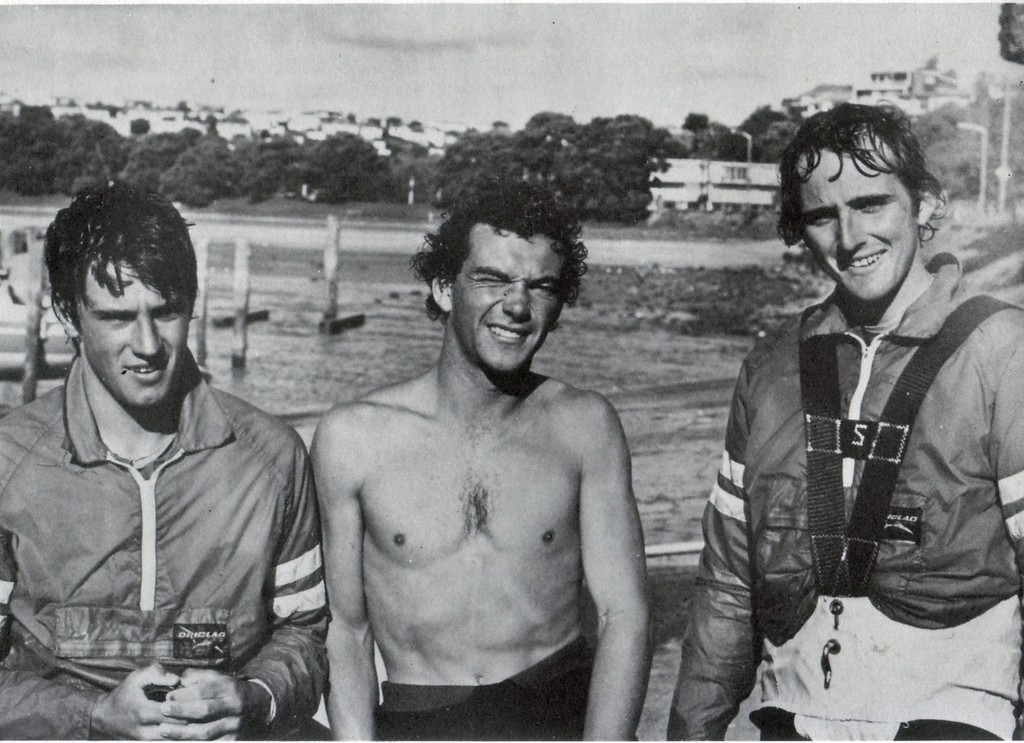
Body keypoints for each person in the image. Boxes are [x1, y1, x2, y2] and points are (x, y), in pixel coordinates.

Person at [669, 102, 1024, 741]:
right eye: (822, 215)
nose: (850, 238)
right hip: (791, 720)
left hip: (954, 721)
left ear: (923, 204)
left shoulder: (1004, 350)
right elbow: (728, 583)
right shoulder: (771, 368)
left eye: (871, 204)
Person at [312, 181, 651, 740]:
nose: (516, 306)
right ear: (445, 288)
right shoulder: (354, 437)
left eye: (540, 287)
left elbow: (625, 614)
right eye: (492, 280)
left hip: (556, 710)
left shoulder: (585, 425)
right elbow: (346, 630)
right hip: (420, 718)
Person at [0, 183, 328, 739]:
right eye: (118, 316)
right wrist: (93, 716)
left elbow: (305, 634)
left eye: (167, 312)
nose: (148, 345)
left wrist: (254, 696)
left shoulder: (273, 458)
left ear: (193, 302)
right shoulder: (9, 461)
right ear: (66, 312)